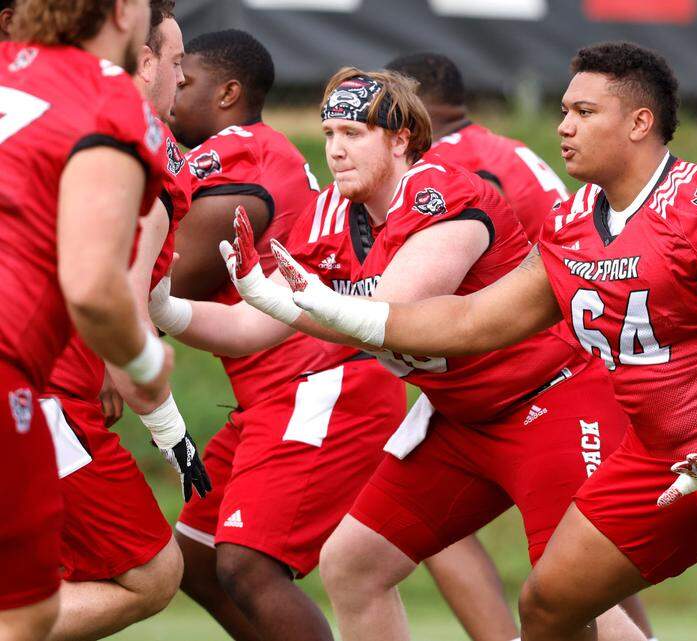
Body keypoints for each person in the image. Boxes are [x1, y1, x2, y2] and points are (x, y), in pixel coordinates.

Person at [281, 43, 697, 641]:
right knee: (549, 605)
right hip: (660, 450)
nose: (564, 126)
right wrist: (320, 305)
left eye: (584, 112)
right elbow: (471, 323)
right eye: (563, 111)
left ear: (640, 122)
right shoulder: (573, 220)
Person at [151, 66, 647, 641]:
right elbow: (246, 329)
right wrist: (164, 304)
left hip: (545, 402)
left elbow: (387, 314)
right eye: (330, 132)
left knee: (563, 592)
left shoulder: (443, 192)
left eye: (354, 133)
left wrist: (282, 299)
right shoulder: (333, 214)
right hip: (458, 419)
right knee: (353, 565)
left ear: (400, 138)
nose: (335, 150)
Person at [388, 50, 658, 641]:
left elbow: (456, 287)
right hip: (551, 349)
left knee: (566, 572)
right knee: (579, 565)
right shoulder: (496, 147)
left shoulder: (443, 172)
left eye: (371, 118)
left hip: (538, 368)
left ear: (405, 110)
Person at [160, 30, 405, 641]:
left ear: (228, 94)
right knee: (193, 558)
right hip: (276, 386)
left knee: (249, 564)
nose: (169, 92)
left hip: (316, 383)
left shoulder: (237, 148)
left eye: (182, 80)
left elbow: (173, 275)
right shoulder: (250, 151)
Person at [0, 0, 175, 638]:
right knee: (26, 613)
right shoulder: (110, 99)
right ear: (126, 10)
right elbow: (96, 289)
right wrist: (146, 366)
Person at [37, 2, 211, 638]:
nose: (183, 77)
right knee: (151, 570)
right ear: (143, 61)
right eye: (174, 61)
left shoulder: (43, 105)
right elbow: (115, 301)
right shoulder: (135, 146)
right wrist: (169, 429)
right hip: (34, 388)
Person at [387, 51, 568, 241]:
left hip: (554, 265)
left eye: (385, 101)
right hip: (570, 258)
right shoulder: (484, 145)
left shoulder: (451, 161)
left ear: (408, 100)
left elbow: (483, 243)